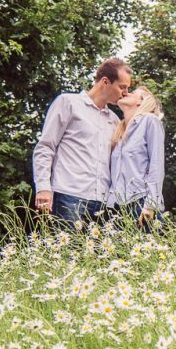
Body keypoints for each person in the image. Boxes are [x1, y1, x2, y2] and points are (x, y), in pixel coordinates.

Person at [32, 58, 132, 225]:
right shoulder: (68, 103)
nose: (126, 93)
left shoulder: (115, 120)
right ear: (105, 82)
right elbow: (46, 147)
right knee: (65, 243)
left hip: (102, 204)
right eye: (122, 87)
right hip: (68, 197)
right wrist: (43, 187)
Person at [107, 86, 165, 231]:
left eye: (132, 93)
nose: (126, 93)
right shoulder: (119, 131)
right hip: (116, 208)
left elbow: (156, 166)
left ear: (141, 102)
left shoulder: (150, 121)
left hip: (141, 204)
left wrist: (150, 205)